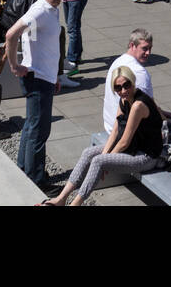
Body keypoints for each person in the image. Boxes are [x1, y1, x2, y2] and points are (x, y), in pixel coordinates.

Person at [40, 65, 163, 205]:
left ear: (133, 82)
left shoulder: (138, 105)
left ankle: (76, 203)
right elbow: (116, 131)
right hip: (133, 149)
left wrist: (106, 160)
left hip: (146, 156)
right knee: (88, 153)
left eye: (126, 85)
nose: (123, 91)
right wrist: (106, 155)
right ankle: (61, 198)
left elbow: (124, 142)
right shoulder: (124, 100)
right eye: (118, 88)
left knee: (98, 161)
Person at [5, 0, 64, 186]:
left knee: (31, 127)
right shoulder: (40, 10)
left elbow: (42, 42)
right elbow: (11, 35)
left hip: (45, 76)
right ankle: (36, 178)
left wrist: (55, 75)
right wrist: (13, 64)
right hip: (37, 78)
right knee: (39, 131)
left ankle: (24, 168)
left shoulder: (49, 8)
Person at [102, 28, 156, 134]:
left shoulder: (117, 62)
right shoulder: (140, 72)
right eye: (144, 48)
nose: (148, 53)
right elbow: (150, 107)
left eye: (150, 48)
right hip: (124, 131)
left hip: (109, 124)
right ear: (132, 45)